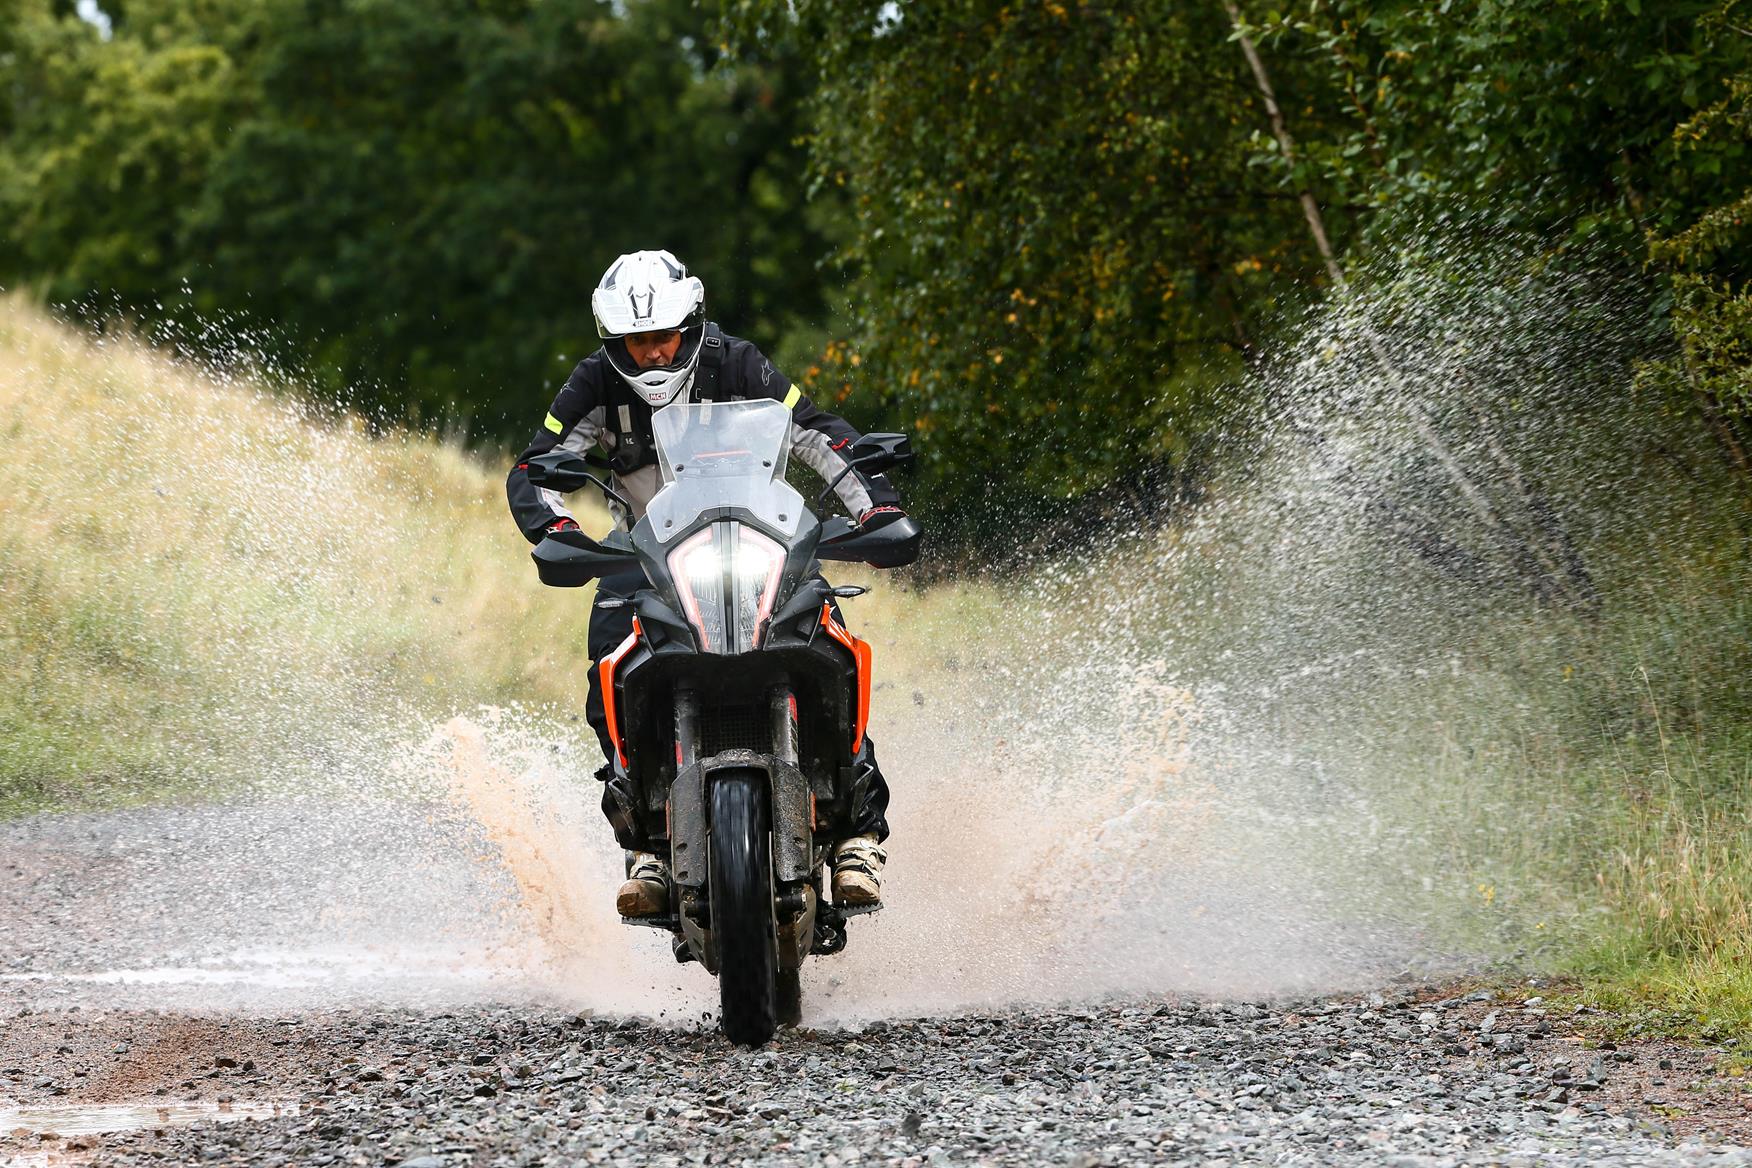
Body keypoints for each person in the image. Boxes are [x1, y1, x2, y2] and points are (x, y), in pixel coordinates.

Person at [505, 250, 906, 918]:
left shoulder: (739, 363)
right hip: (646, 557)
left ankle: (859, 835)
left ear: (690, 327)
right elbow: (538, 468)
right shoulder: (592, 384)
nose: (655, 354)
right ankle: (648, 847)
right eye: (638, 341)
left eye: (664, 337)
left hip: (763, 540)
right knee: (607, 670)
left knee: (830, 643)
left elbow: (815, 435)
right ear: (616, 342)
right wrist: (559, 530)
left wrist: (877, 508)